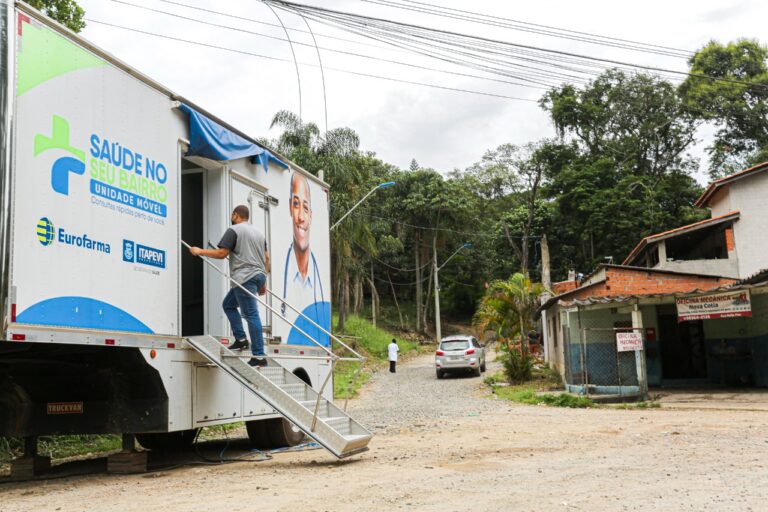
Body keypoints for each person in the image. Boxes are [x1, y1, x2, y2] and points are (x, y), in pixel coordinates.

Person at [189, 205, 270, 367]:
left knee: (251, 315)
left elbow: (221, 254)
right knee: (228, 304)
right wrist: (264, 280)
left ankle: (259, 355)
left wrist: (199, 251)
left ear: (236, 215)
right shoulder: (259, 233)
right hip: (258, 275)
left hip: (244, 277)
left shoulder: (234, 230)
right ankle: (241, 339)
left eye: (232, 214)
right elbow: (267, 258)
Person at [282, 172, 327, 346]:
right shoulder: (279, 273)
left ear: (312, 215)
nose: (301, 217)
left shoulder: (319, 281)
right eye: (296, 204)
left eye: (306, 208)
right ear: (289, 208)